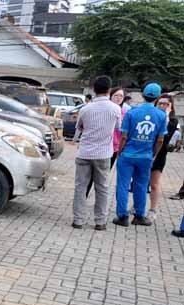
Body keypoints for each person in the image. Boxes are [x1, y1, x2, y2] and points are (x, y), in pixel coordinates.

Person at [113, 83, 168, 227]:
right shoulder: (162, 115)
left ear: (143, 95)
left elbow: (124, 136)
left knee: (123, 185)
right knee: (142, 186)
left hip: (128, 154)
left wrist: (120, 152)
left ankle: (122, 216)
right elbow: (160, 139)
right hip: (146, 156)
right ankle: (139, 215)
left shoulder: (132, 112)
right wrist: (153, 154)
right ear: (157, 97)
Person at [72, 76, 122, 230]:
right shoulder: (115, 109)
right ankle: (100, 222)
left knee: (81, 186)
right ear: (109, 90)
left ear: (93, 89)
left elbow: (79, 127)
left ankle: (78, 220)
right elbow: (118, 128)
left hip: (85, 152)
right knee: (102, 188)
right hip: (103, 154)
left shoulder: (85, 109)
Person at [147, 94, 177, 220]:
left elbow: (165, 139)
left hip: (159, 156)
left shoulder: (172, 121)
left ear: (171, 106)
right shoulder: (152, 117)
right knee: (142, 183)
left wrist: (166, 116)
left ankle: (153, 209)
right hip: (146, 153)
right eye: (160, 103)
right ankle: (138, 205)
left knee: (154, 184)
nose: (163, 106)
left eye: (166, 104)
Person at [109, 88, 128, 168]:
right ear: (110, 96)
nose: (119, 97)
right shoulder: (106, 109)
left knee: (106, 172)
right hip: (102, 145)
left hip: (115, 147)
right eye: (116, 95)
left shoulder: (125, 113)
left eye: (121, 96)